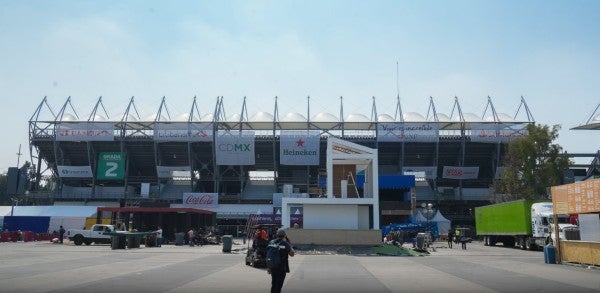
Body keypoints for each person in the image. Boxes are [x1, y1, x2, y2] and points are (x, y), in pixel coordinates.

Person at [268, 228, 294, 293]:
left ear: (277, 235)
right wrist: (290, 245)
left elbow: (268, 255)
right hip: (281, 268)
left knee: (274, 284)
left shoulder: (271, 242)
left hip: (273, 267)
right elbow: (292, 254)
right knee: (278, 286)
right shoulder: (285, 243)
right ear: (284, 235)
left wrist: (269, 267)